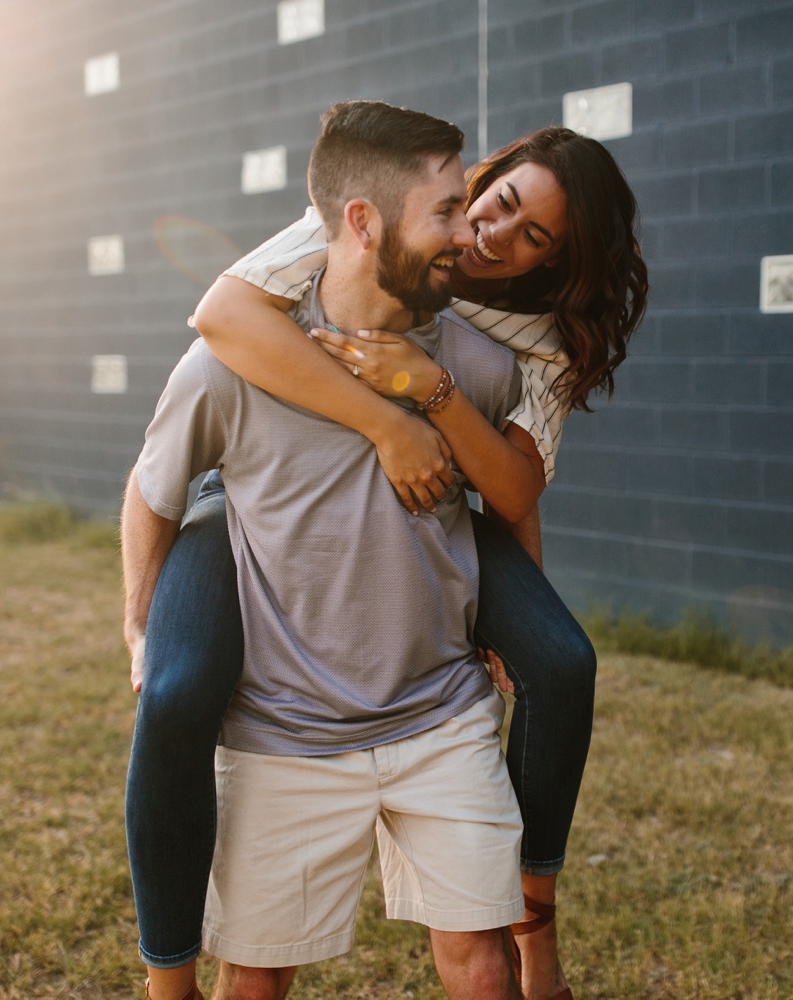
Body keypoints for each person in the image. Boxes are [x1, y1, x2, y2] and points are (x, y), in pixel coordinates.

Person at [126, 124, 647, 1000]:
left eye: (533, 238)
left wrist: (432, 398)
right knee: (175, 692)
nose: (488, 237)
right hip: (244, 495)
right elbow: (220, 318)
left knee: (561, 661)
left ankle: (537, 926)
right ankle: (166, 982)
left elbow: (514, 492)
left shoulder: (532, 346)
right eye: (491, 205)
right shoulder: (331, 237)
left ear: (554, 263)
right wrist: (385, 422)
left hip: (442, 508)